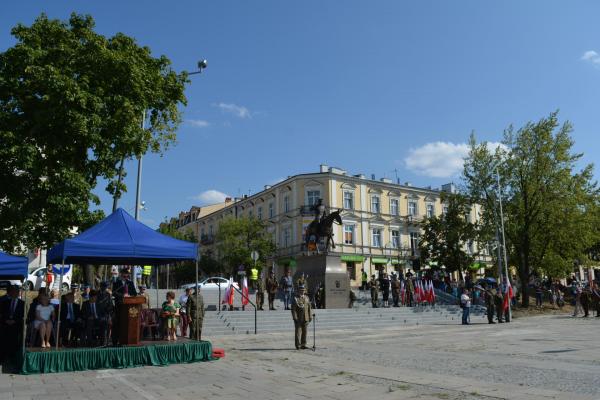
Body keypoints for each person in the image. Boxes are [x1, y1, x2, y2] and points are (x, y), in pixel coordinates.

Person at [111, 268, 137, 346]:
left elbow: (134, 294)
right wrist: (123, 295)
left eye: (127, 275)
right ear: (121, 274)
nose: (126, 276)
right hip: (119, 307)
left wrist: (129, 296)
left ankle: (127, 340)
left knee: (127, 324)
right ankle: (116, 340)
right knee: (118, 324)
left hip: (128, 307)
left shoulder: (130, 283)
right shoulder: (116, 283)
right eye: (124, 275)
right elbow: (114, 293)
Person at [0, 285, 25, 360]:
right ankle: (3, 355)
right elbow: (2, 314)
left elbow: (23, 316)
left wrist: (15, 321)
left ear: (18, 293)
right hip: (5, 323)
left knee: (15, 336)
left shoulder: (22, 303)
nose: (14, 293)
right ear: (10, 293)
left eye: (16, 292)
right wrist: (6, 320)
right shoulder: (5, 302)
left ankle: (13, 355)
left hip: (16, 324)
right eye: (12, 291)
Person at [291, 284, 312, 350]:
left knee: (305, 332)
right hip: (299, 318)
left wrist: (310, 316)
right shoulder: (296, 298)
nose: (302, 291)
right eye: (301, 290)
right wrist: (295, 317)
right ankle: (298, 345)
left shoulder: (307, 298)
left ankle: (303, 344)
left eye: (303, 290)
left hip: (306, 317)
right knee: (298, 332)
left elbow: (309, 308)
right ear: (298, 291)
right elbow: (293, 309)